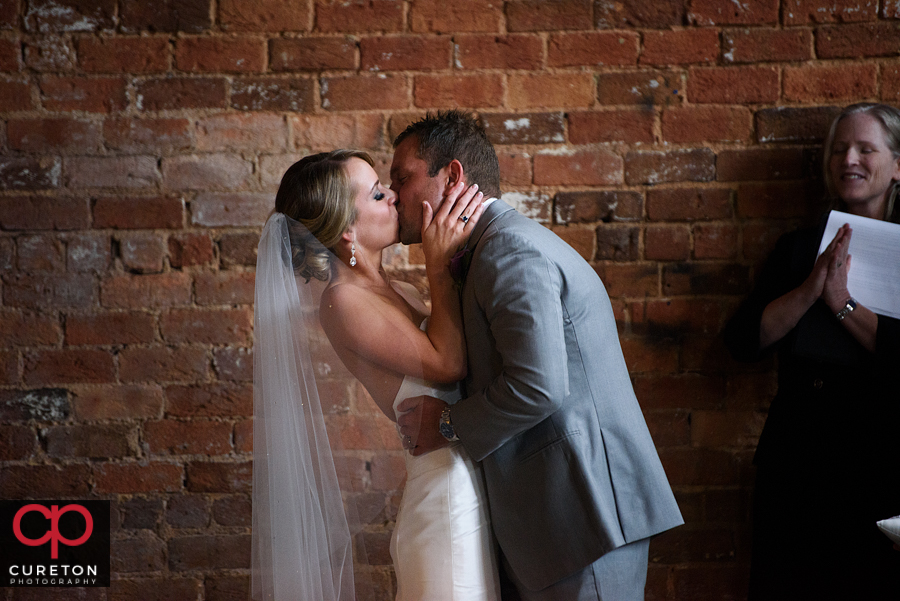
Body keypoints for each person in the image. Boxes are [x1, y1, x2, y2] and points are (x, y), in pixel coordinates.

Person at [392, 110, 684, 600]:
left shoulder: (507, 250)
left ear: (454, 175)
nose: (395, 194)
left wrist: (446, 425)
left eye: (403, 178)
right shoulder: (485, 249)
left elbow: (538, 385)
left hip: (582, 516)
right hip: (558, 520)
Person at [250, 149, 500, 600]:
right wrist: (439, 262)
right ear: (347, 227)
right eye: (379, 193)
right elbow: (448, 364)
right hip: (444, 500)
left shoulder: (399, 290)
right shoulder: (343, 302)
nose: (395, 200)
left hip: (469, 483)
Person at [724, 102, 900, 600]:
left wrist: (842, 303)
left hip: (882, 463)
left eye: (866, 149)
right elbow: (743, 342)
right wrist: (809, 289)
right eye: (840, 149)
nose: (850, 159)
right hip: (798, 462)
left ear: (897, 166)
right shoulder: (799, 249)